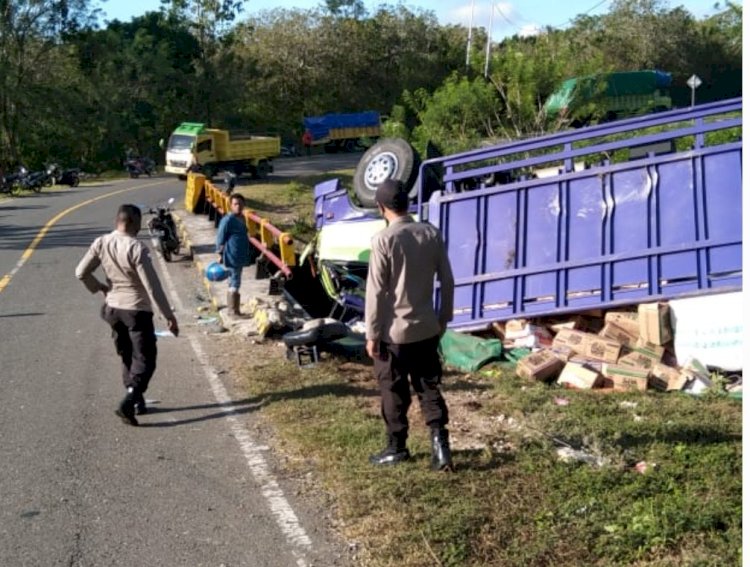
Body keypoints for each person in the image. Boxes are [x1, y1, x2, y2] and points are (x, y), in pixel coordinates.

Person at [365, 179, 455, 471]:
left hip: (395, 332)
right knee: (429, 386)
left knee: (393, 388)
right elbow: (448, 280)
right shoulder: (430, 233)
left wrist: (372, 334)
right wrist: (444, 317)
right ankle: (441, 447)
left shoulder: (383, 240)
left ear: (381, 208)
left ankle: (397, 446)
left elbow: (376, 292)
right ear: (407, 204)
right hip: (427, 327)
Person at [75, 204, 179, 426]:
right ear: (133, 221)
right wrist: (168, 315)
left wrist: (100, 288)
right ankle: (129, 401)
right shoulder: (136, 248)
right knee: (145, 359)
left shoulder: (101, 242)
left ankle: (137, 401)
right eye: (139, 221)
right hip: (136, 309)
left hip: (112, 309)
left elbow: (80, 272)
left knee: (127, 354)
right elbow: (152, 286)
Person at [216, 193, 253, 316]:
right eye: (235, 204)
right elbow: (220, 237)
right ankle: (233, 311)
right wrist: (220, 253)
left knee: (234, 280)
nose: (238, 206)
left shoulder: (242, 218)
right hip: (232, 254)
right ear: (230, 206)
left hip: (240, 254)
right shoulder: (228, 220)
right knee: (235, 281)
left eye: (241, 204)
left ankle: (233, 310)